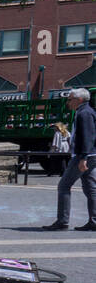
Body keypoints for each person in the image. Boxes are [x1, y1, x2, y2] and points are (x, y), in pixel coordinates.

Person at [44, 88, 96, 231]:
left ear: (79, 100)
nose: (68, 102)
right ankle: (94, 221)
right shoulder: (86, 112)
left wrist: (83, 157)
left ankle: (63, 221)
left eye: (70, 99)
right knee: (91, 188)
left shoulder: (84, 113)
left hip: (83, 156)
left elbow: (88, 136)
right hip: (90, 155)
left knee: (64, 186)